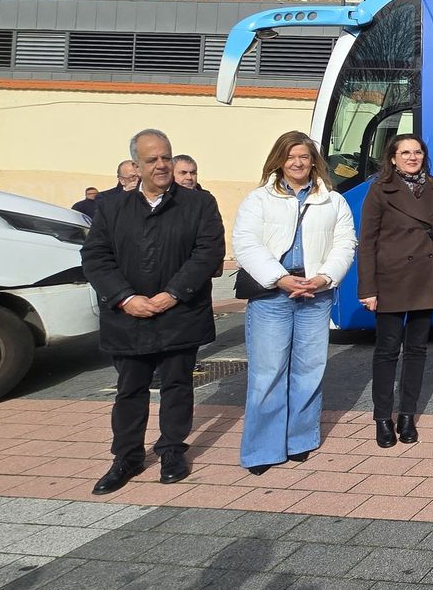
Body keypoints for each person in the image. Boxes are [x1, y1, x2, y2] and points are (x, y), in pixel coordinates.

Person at [81, 129, 224, 494]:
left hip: (179, 313)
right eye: (151, 159)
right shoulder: (112, 207)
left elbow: (207, 252)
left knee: (178, 386)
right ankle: (127, 457)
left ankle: (172, 450)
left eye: (166, 157)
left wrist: (173, 294)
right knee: (130, 390)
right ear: (136, 165)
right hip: (128, 317)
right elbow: (95, 257)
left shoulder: (199, 204)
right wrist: (125, 298)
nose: (161, 165)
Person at [232, 131, 357, 473]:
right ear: (279, 161)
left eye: (303, 156)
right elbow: (245, 243)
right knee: (268, 373)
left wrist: (324, 277)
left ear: (314, 161)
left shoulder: (333, 201)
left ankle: (300, 439)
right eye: (290, 157)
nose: (297, 163)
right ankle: (263, 449)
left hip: (315, 294)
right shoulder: (259, 199)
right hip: (272, 294)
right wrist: (280, 278)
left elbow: (345, 244)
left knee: (309, 370)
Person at [357, 134, 433, 447]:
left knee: (417, 350)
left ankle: (407, 415)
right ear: (393, 158)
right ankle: (382, 418)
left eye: (417, 152)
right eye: (405, 152)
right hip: (390, 278)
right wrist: (367, 288)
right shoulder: (380, 188)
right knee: (387, 350)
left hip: (425, 276)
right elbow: (367, 242)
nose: (412, 157)